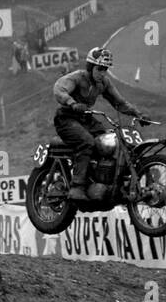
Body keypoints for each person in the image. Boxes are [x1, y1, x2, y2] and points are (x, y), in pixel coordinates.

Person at [53, 47, 146, 199]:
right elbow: (59, 89)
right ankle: (77, 186)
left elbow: (119, 102)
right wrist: (72, 103)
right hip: (67, 117)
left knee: (107, 143)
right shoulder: (77, 77)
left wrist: (138, 114)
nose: (103, 73)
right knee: (87, 142)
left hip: (85, 118)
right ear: (90, 66)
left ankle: (98, 180)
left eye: (105, 69)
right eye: (100, 68)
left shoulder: (103, 83)